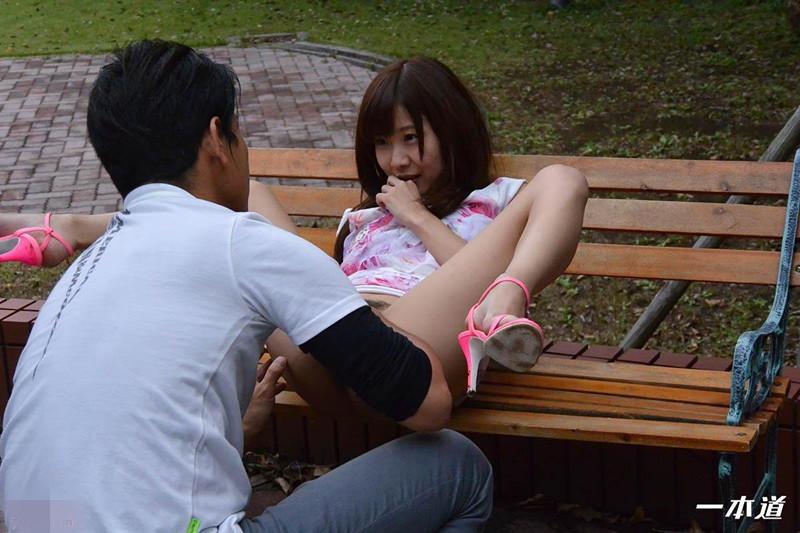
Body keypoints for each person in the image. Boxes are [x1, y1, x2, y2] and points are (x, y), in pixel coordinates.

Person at [0, 40, 495, 533]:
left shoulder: (84, 272)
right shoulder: (243, 243)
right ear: (218, 139)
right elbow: (428, 403)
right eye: (240, 132)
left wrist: (235, 432)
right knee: (458, 466)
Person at [0, 57, 588, 406]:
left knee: (563, 179)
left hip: (422, 347)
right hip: (334, 343)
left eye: (412, 138)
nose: (397, 160)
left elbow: (468, 269)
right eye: (383, 143)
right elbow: (330, 285)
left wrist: (418, 218)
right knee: (250, 194)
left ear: (453, 129)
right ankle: (74, 227)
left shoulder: (495, 204)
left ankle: (506, 300)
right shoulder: (364, 218)